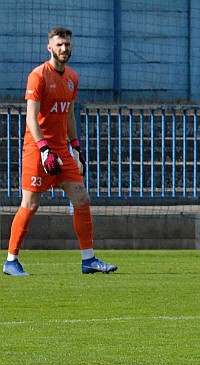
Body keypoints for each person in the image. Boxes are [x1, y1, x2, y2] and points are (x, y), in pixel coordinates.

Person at [4, 27, 116, 276]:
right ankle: (11, 261)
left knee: (81, 198)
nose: (64, 49)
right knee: (31, 203)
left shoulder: (72, 77)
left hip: (62, 150)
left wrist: (75, 147)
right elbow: (31, 118)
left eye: (67, 44)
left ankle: (89, 260)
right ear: (50, 47)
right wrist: (44, 150)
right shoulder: (38, 76)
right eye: (59, 45)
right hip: (37, 147)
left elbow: (69, 117)